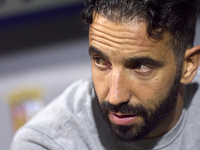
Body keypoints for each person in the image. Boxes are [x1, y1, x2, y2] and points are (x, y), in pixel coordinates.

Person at [11, 0, 200, 149]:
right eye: (101, 61)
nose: (115, 97)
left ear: (188, 66)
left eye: (141, 66)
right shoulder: (43, 144)